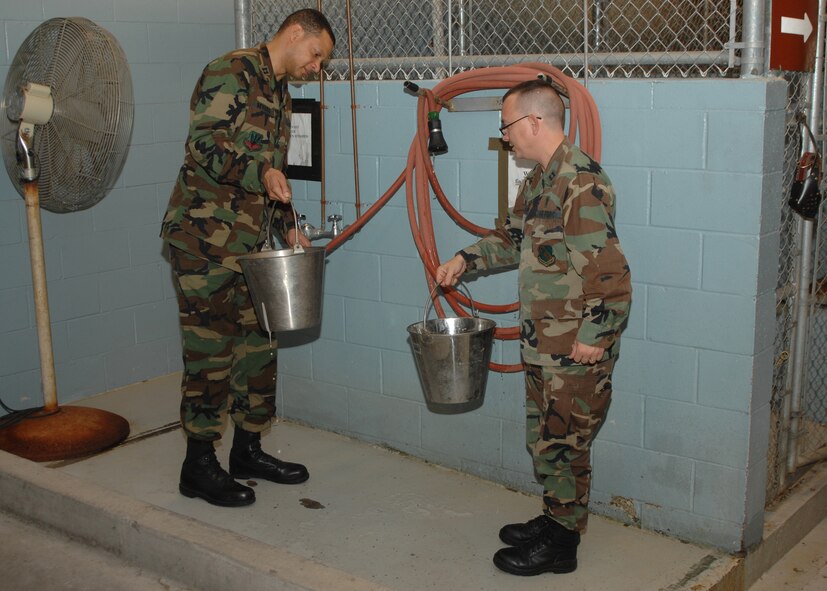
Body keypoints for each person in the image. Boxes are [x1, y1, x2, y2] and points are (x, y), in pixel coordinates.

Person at [436, 79, 631, 575]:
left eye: (507, 126)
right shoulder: (542, 178)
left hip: (574, 349)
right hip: (545, 343)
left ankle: (562, 545)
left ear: (534, 122)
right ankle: (555, 518)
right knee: (546, 437)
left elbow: (609, 274)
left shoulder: (579, 182)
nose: (505, 136)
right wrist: (465, 259)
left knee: (566, 443)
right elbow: (511, 238)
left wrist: (594, 337)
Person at [160, 9, 335, 507]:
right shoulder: (231, 71)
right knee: (210, 355)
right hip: (204, 245)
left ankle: (248, 450)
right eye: (316, 55)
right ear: (295, 33)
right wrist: (262, 174)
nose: (316, 67)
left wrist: (287, 227)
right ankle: (198, 464)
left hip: (251, 247)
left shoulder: (281, 91)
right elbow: (205, 146)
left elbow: (270, 175)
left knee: (259, 349)